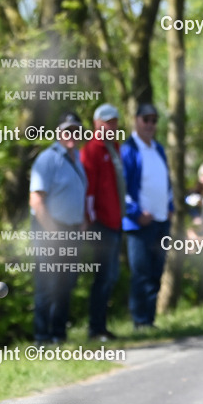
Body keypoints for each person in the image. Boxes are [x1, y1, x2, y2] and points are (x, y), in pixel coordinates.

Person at [29, 112, 88, 342]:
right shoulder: (47, 159)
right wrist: (52, 231)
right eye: (67, 130)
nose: (72, 135)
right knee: (47, 284)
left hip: (72, 229)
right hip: (50, 230)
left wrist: (81, 219)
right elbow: (36, 199)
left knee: (66, 282)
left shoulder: (78, 158)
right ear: (58, 133)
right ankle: (42, 337)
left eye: (76, 130)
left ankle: (59, 333)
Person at [120, 103, 173, 330]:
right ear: (136, 120)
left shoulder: (158, 149)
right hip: (139, 223)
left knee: (156, 272)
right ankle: (139, 320)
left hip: (161, 220)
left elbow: (166, 183)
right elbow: (122, 188)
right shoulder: (129, 150)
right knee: (141, 273)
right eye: (146, 120)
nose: (150, 125)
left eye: (154, 120)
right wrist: (135, 213)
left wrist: (170, 206)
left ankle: (149, 320)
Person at [79, 103, 125, 342]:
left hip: (116, 222)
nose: (111, 125)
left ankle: (101, 326)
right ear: (96, 124)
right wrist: (91, 220)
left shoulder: (114, 147)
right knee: (103, 277)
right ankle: (95, 328)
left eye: (114, 121)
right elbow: (89, 191)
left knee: (111, 277)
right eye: (107, 122)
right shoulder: (92, 150)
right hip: (101, 224)